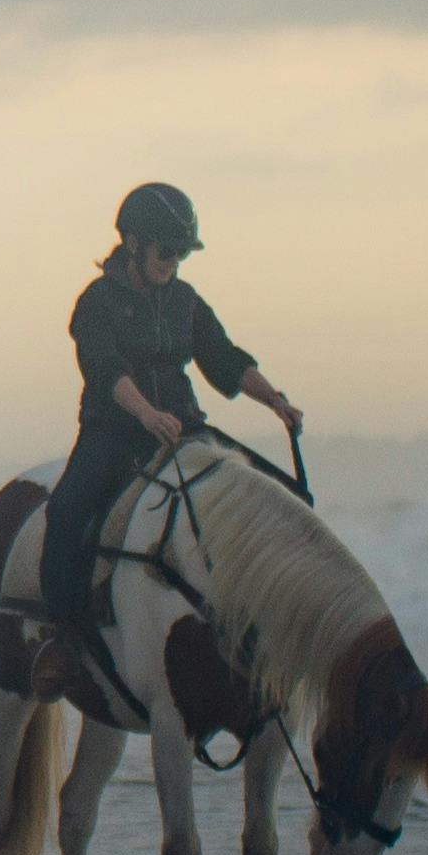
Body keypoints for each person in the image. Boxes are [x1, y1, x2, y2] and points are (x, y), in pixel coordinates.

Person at [40, 181, 306, 651]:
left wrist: (276, 401)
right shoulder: (96, 303)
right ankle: (61, 639)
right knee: (64, 512)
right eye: (166, 251)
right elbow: (105, 371)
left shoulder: (186, 301)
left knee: (283, 494)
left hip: (183, 427)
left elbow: (223, 357)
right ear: (135, 243)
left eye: (182, 254)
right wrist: (146, 414)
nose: (173, 263)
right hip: (114, 431)